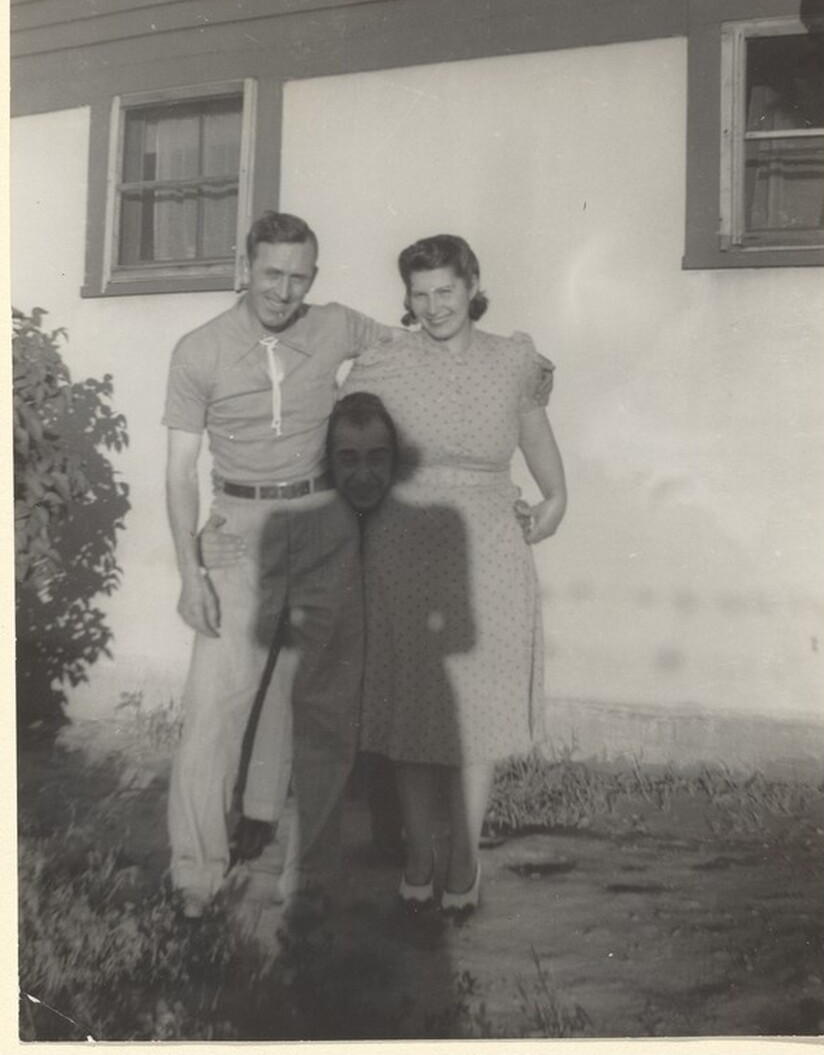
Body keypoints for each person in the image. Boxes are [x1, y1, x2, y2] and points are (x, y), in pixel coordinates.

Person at [163, 211, 397, 917]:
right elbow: (178, 472)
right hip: (239, 531)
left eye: (298, 277)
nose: (283, 290)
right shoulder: (199, 349)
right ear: (247, 267)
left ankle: (305, 880)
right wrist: (189, 571)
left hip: (321, 523)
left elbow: (421, 348)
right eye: (271, 273)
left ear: (313, 278)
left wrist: (515, 355)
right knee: (215, 708)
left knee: (317, 710)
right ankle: (195, 877)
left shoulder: (333, 326)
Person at [342, 233, 567, 914]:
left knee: (477, 711)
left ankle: (464, 857)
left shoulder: (511, 359)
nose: (434, 305)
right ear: (405, 298)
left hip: (489, 548)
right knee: (413, 706)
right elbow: (341, 437)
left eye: (446, 290)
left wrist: (553, 501)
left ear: (472, 285)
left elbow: (535, 442)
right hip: (401, 543)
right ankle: (417, 849)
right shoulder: (384, 361)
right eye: (420, 293)